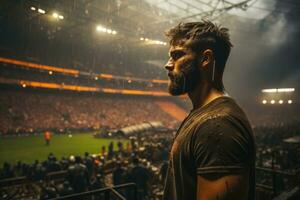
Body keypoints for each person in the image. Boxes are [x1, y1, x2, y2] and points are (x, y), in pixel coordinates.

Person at [162, 21, 256, 200]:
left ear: (205, 59)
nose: (168, 64)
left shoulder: (217, 124)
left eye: (177, 55)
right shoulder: (205, 115)